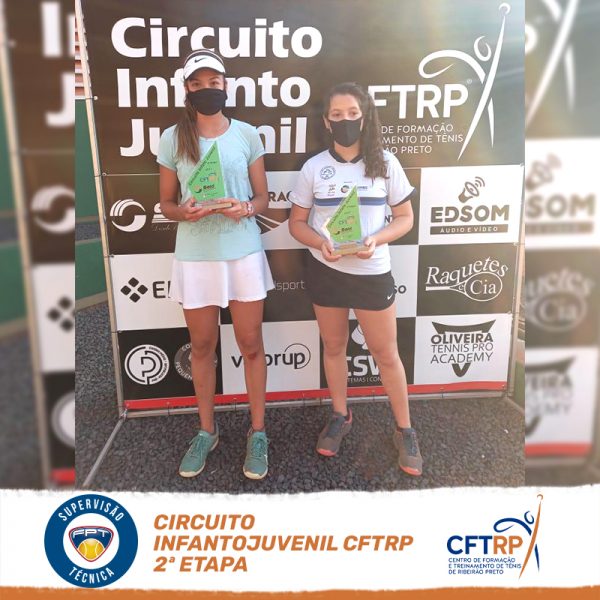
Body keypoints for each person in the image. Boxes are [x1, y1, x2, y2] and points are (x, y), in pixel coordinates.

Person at [288, 82, 422, 476]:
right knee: (334, 346)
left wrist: (376, 239)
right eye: (337, 115)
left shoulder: (386, 163)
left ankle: (405, 430)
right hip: (325, 270)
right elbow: (296, 223)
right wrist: (320, 243)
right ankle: (340, 414)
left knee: (386, 354)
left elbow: (405, 218)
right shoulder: (314, 168)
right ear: (327, 122)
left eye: (352, 114)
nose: (345, 121)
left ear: (364, 118)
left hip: (371, 272)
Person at [157, 49, 273, 480]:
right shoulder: (173, 138)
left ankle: (258, 432)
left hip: (243, 253)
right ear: (186, 89)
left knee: (251, 344)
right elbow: (166, 204)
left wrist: (247, 208)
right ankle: (207, 431)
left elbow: (262, 197)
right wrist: (183, 213)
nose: (207, 89)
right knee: (202, 347)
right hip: (196, 257)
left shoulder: (246, 134)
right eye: (197, 83)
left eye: (214, 82)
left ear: (226, 85)